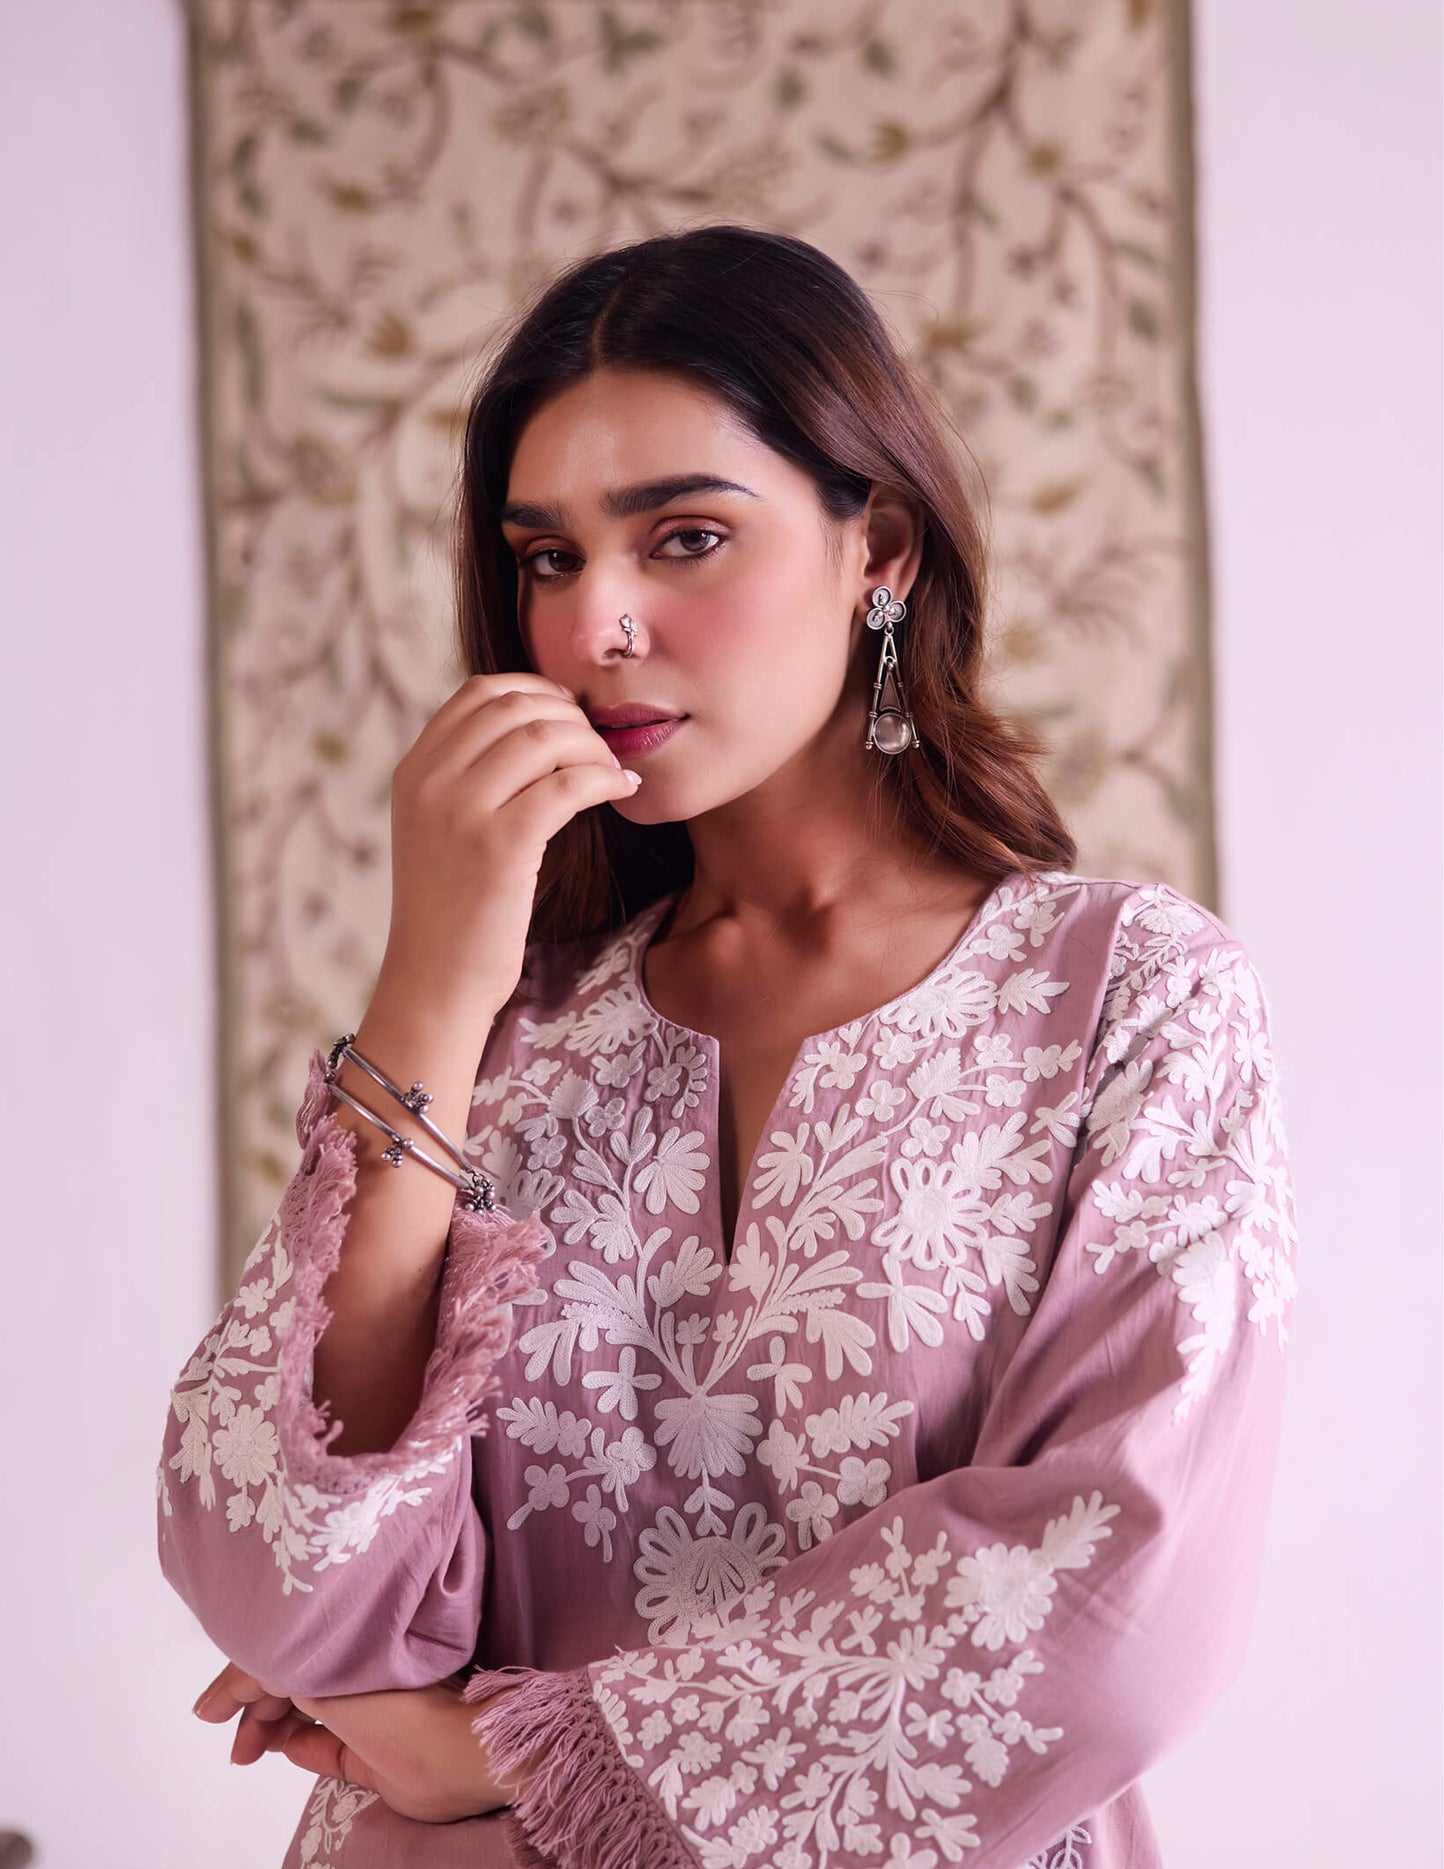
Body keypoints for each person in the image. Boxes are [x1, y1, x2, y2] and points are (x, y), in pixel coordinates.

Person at [159, 224, 1298, 1869]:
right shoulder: (507, 1032)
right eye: (546, 558)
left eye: (682, 536)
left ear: (879, 552)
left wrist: (502, 1749)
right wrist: (430, 985)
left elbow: (1119, 1604)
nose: (597, 624)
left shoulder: (1130, 1000)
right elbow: (267, 1557)